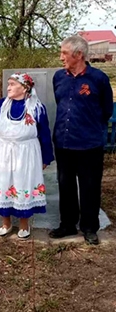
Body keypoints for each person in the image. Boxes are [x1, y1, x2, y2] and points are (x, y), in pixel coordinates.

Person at [50, 35, 114, 245]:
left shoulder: (98, 79)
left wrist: (91, 127)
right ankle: (67, 224)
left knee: (89, 186)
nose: (61, 58)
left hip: (89, 144)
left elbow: (106, 110)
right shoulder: (59, 77)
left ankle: (89, 227)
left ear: (78, 55)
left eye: (64, 53)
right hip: (63, 142)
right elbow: (60, 102)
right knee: (65, 185)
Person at [0, 73, 54, 238]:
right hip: (3, 151)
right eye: (8, 84)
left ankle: (24, 224)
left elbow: (44, 132)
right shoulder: (2, 105)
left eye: (12, 84)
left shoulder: (36, 107)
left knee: (24, 184)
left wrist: (46, 156)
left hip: (26, 153)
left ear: (24, 87)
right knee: (3, 182)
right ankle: (6, 223)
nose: (8, 88)